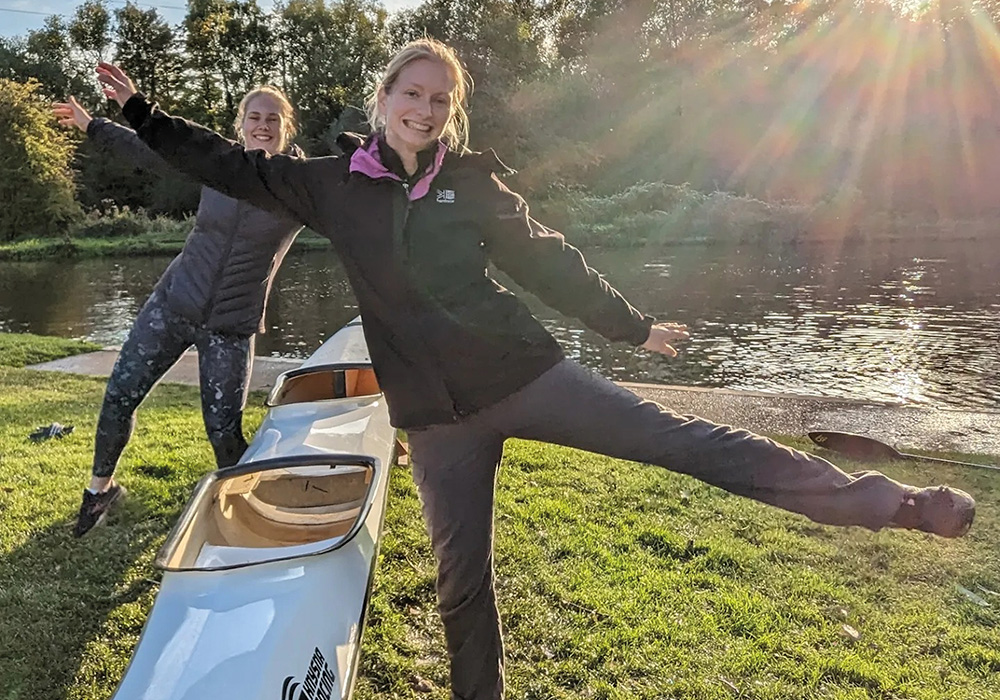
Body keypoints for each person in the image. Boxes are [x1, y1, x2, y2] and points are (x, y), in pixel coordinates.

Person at [91, 41, 974, 700]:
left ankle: (889, 504)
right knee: (461, 584)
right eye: (412, 93)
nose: (426, 109)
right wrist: (141, 114)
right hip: (434, 420)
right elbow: (227, 164)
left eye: (441, 99)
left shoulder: (472, 183)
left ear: (452, 111)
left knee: (688, 443)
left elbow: (548, 260)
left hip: (527, 377)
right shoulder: (329, 185)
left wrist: (631, 327)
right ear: (384, 97)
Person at [52, 87, 305, 537]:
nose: (263, 125)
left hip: (231, 326)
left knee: (223, 429)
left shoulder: (298, 187)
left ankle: (242, 506)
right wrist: (92, 125)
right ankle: (99, 491)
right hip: (172, 304)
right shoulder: (218, 164)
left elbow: (353, 203)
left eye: (272, 119)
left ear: (287, 128)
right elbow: (152, 147)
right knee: (120, 395)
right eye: (254, 117)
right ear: (241, 124)